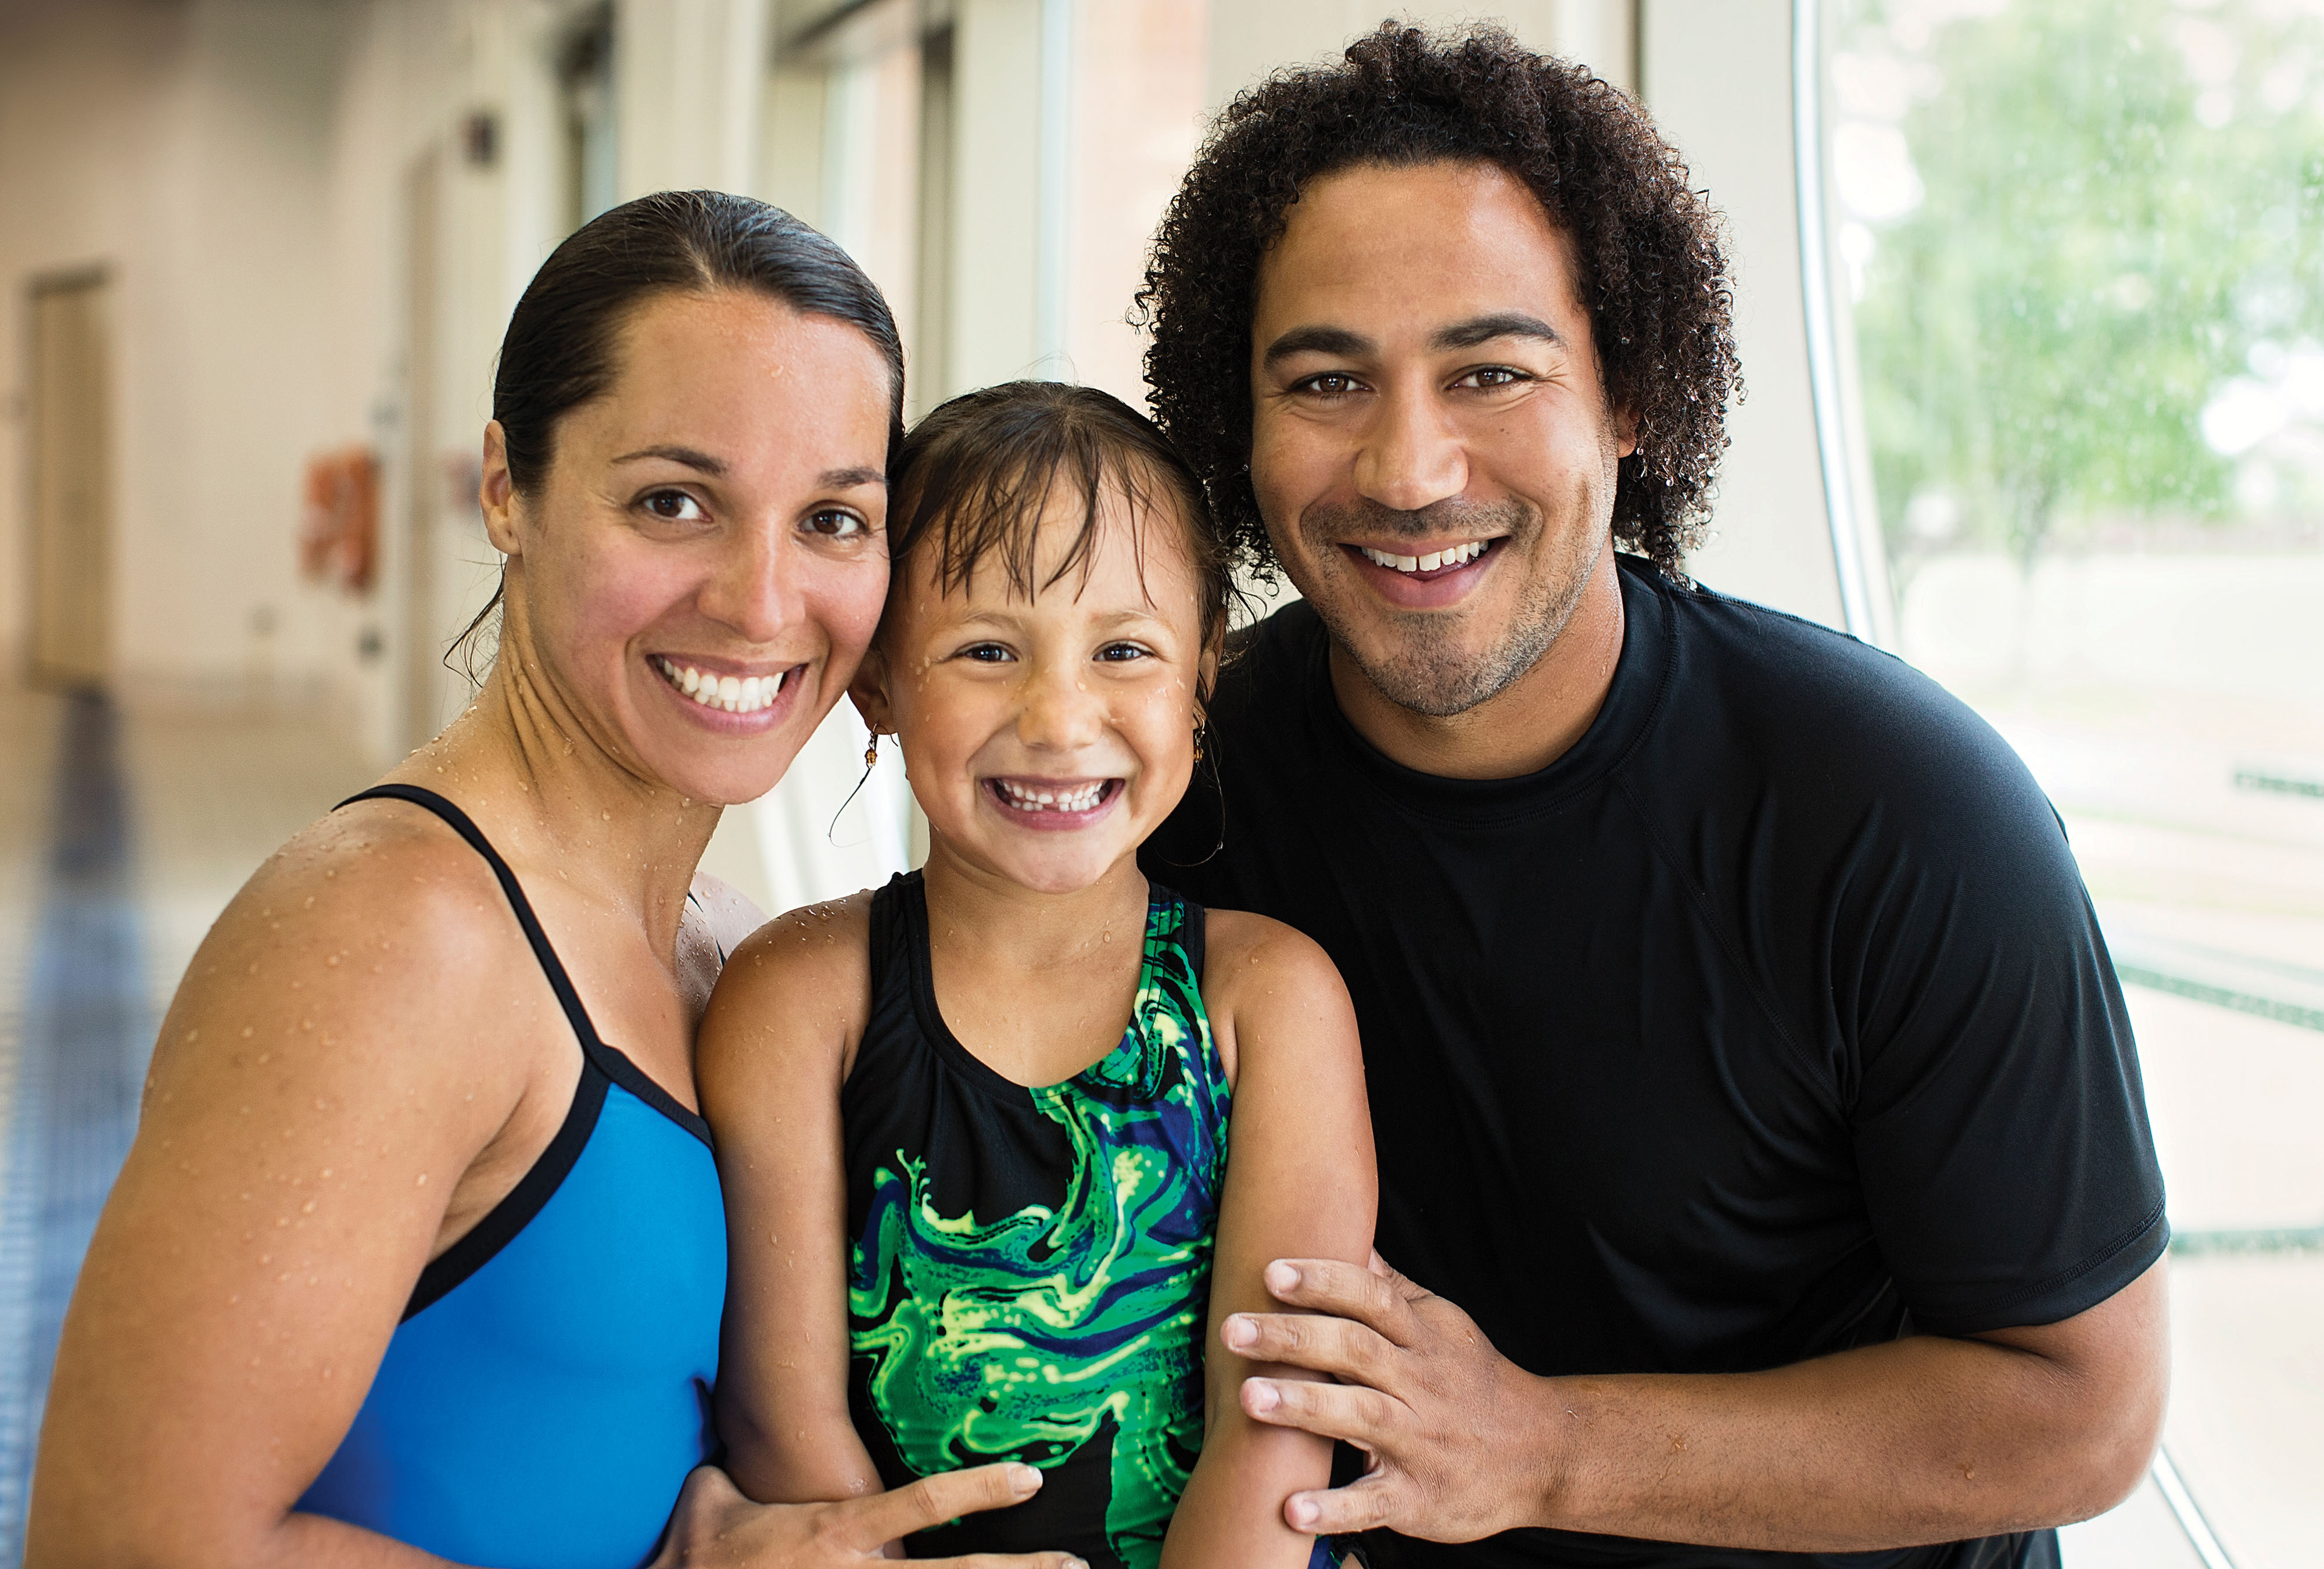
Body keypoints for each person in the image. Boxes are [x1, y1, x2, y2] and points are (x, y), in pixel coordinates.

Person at [1133, 24, 2169, 1569]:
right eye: (1329, 378)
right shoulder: (1166, 784)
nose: (1411, 468)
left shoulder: (1900, 810)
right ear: (1241, 426)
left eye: (1492, 371)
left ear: (1630, 396)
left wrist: (1543, 1446)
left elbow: (2081, 1412)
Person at [31, 192, 1077, 1569]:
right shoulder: (399, 935)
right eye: (672, 501)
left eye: (831, 518)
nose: (763, 603)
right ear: (506, 488)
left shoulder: (730, 949)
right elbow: (124, 1546)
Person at [697, 382, 1376, 1569]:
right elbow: (782, 1422)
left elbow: (1274, 1428)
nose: (1060, 720)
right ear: (878, 684)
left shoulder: (1266, 1003)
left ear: (1202, 673)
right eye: (984, 650)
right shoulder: (800, 1000)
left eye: (1124, 650)